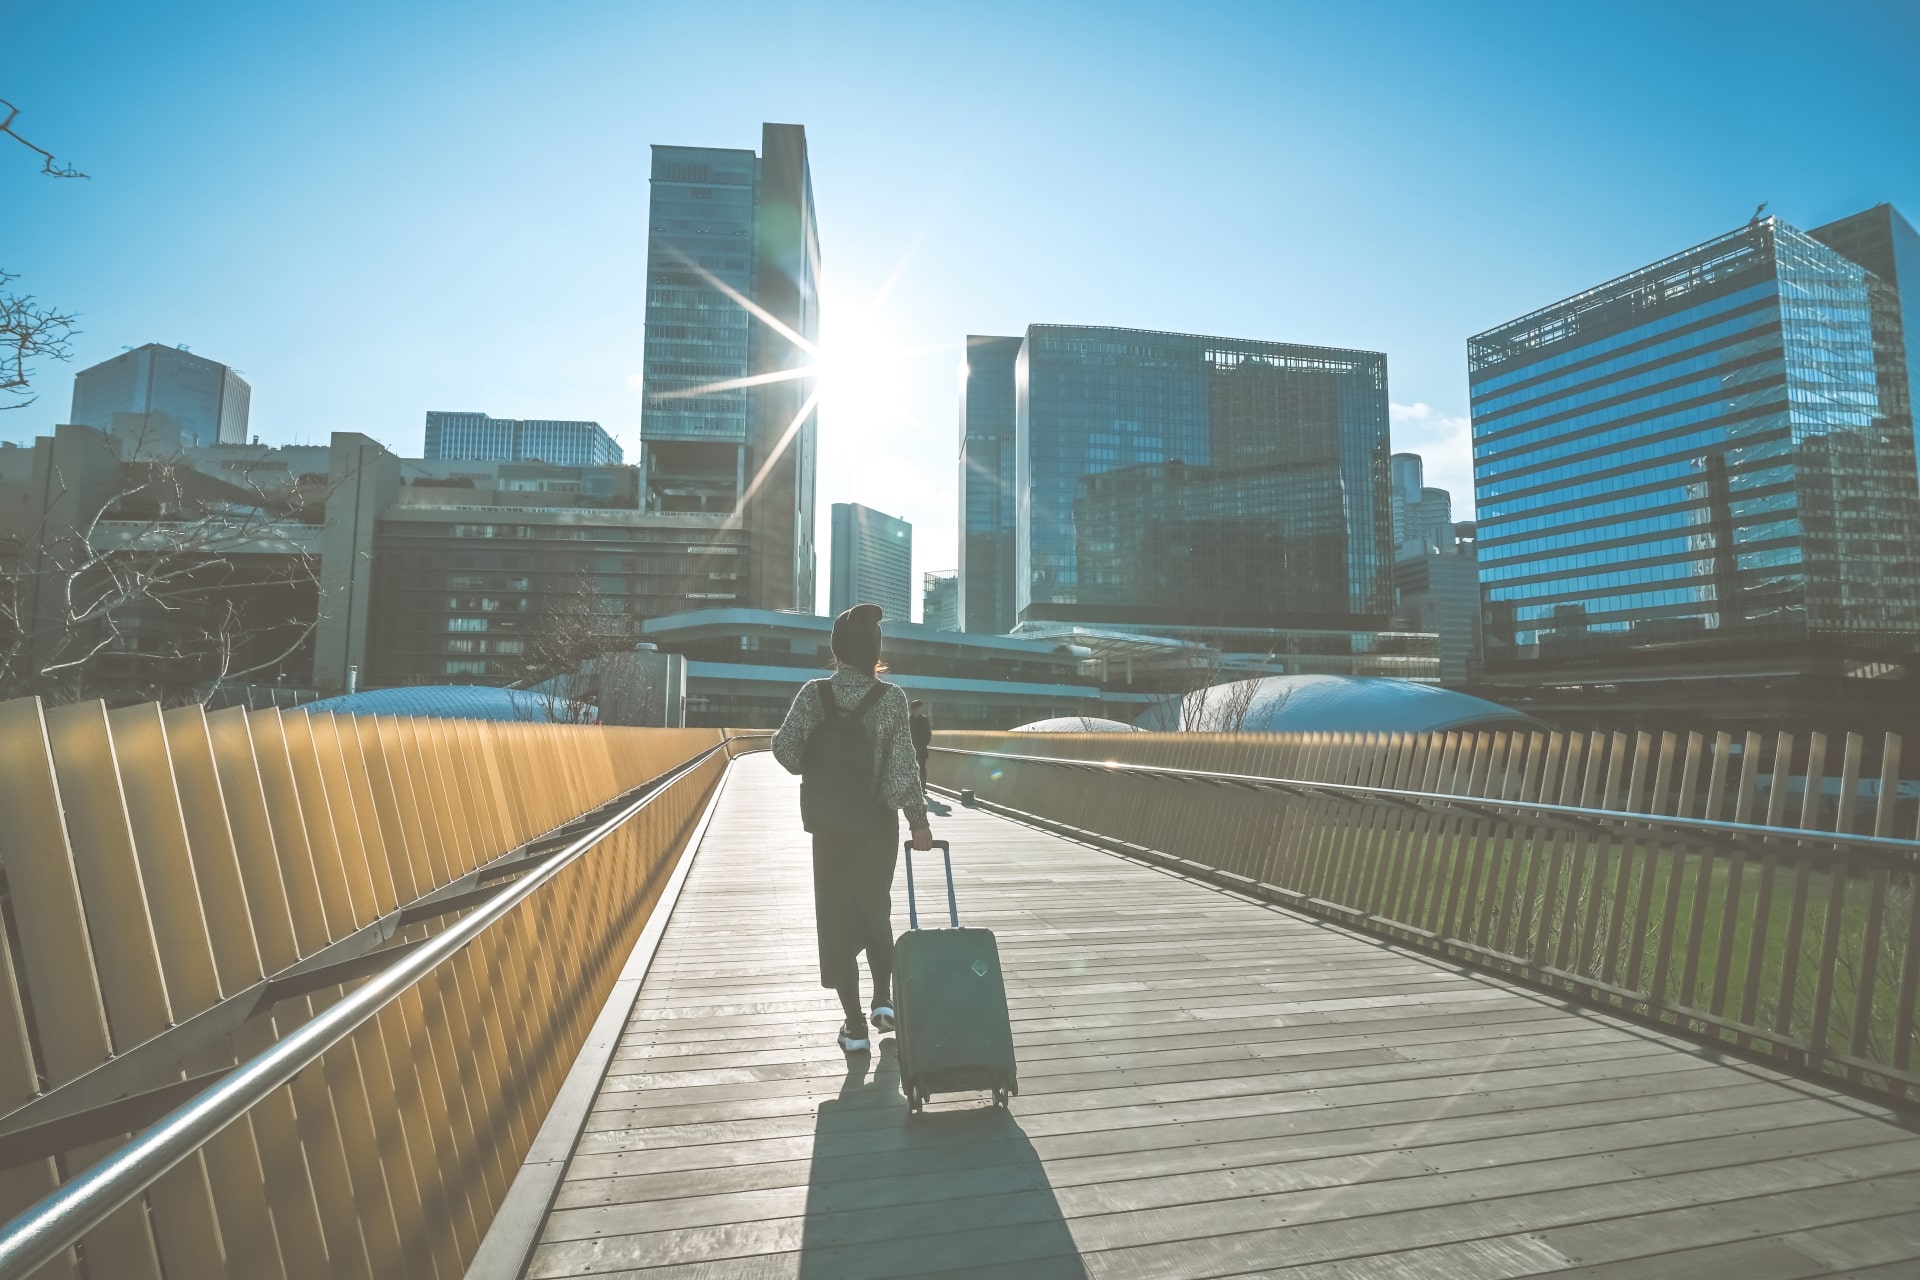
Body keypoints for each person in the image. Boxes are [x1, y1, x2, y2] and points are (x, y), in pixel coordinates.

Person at [772, 604, 934, 1054]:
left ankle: (854, 1025)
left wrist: (819, 763)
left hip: (829, 828)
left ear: (837, 650)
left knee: (837, 921)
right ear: (875, 652)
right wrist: (918, 822)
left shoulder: (813, 694)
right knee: (873, 910)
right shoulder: (892, 699)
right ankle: (884, 1000)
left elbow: (785, 751)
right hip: (875, 825)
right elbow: (904, 769)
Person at [909, 700, 932, 795]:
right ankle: (912, 788)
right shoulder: (908, 719)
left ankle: (923, 788)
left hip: (921, 748)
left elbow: (928, 734)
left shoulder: (924, 719)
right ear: (915, 708)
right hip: (911, 748)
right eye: (920, 707)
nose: (921, 709)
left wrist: (923, 744)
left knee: (922, 768)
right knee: (911, 769)